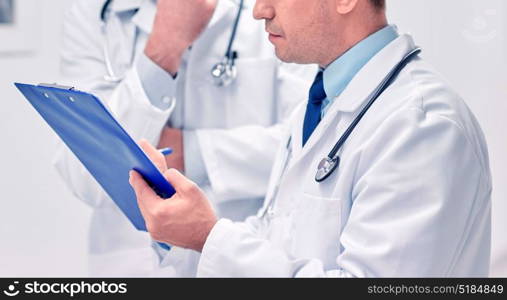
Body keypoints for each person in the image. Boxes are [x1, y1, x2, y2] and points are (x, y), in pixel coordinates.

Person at [130, 0, 492, 277]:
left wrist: (208, 238)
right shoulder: (320, 103)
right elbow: (276, 234)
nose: (260, 10)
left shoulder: (423, 126)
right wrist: (181, 234)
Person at [54, 0, 314, 277]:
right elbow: (83, 172)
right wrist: (163, 49)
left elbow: (310, 149)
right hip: (126, 262)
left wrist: (191, 152)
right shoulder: (95, 13)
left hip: (238, 258)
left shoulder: (278, 8)